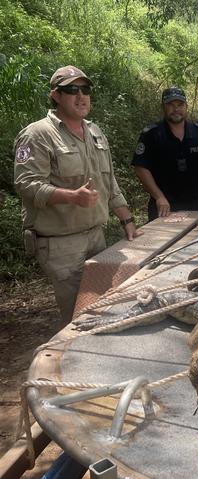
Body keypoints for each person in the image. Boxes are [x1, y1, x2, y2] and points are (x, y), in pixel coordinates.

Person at [13, 65, 143, 325]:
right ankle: (71, 363)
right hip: (61, 245)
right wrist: (71, 196)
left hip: (97, 237)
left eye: (85, 89)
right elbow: (26, 185)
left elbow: (109, 182)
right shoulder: (38, 134)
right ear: (55, 96)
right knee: (79, 316)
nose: (80, 95)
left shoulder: (95, 131)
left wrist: (126, 219)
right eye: (71, 89)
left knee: (103, 306)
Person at [132, 86, 198, 222]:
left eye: (180, 104)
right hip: (163, 205)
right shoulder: (151, 134)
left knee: (194, 241)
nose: (176, 109)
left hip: (195, 204)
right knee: (163, 241)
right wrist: (159, 196)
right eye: (171, 105)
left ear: (186, 106)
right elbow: (140, 168)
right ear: (163, 107)